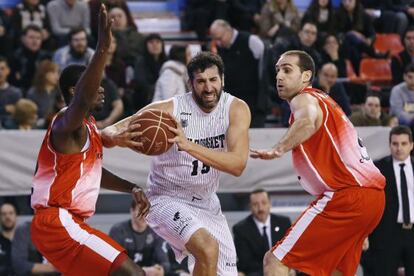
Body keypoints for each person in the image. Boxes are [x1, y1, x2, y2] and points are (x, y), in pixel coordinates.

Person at [102, 51, 251, 275]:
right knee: (208, 249)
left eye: (213, 80)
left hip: (207, 202)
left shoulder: (236, 109)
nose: (208, 88)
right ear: (190, 83)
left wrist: (188, 145)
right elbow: (108, 131)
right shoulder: (167, 110)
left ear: (223, 79)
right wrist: (115, 138)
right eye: (200, 81)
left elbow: (237, 165)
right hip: (165, 198)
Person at [30, 5, 149, 275]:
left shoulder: (87, 127)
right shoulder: (65, 123)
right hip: (57, 220)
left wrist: (131, 188)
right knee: (134, 273)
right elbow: (83, 98)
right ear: (76, 90)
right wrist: (103, 48)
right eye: (97, 84)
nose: (103, 89)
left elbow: (93, 174)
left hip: (66, 223)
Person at [250, 50, 385, 276]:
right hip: (373, 199)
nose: (279, 77)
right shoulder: (328, 102)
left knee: (275, 261)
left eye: (287, 70)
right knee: (335, 271)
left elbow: (307, 122)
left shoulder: (305, 98)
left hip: (347, 197)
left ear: (306, 76)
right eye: (277, 71)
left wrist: (277, 149)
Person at [367, 126, 414, 275]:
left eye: (404, 143)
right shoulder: (377, 168)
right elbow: (368, 202)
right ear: (389, 145)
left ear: (411, 145)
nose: (399, 148)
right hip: (387, 234)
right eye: (395, 144)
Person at [233, 189, 291, 276]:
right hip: (256, 272)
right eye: (255, 204)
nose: (260, 208)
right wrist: (271, 270)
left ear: (270, 204)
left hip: (283, 269)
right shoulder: (240, 229)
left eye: (264, 203)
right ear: (250, 207)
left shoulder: (284, 223)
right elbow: (246, 262)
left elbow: (290, 251)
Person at [110, 200, 171, 275]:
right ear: (132, 211)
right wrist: (140, 271)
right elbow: (113, 263)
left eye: (147, 211)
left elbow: (165, 263)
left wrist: (159, 269)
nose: (144, 215)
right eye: (141, 210)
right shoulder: (118, 230)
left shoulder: (156, 232)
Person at [0, 203, 17, 276]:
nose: (7, 217)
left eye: (11, 213)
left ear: (16, 216)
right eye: (4, 214)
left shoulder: (26, 241)